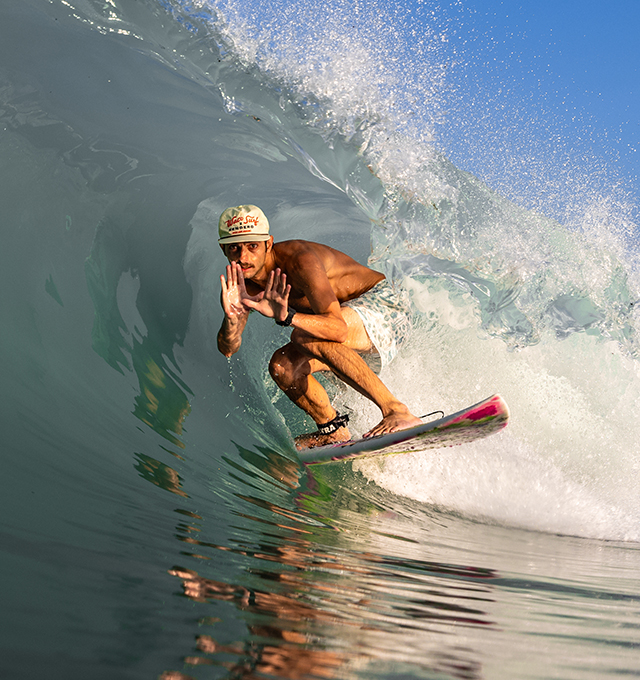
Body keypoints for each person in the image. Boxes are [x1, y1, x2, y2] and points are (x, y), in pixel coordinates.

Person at [217, 205, 422, 449]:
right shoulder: (242, 287)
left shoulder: (299, 261)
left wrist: (288, 317)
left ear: (268, 244)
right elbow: (228, 349)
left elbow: (338, 330)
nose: (243, 257)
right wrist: (232, 318)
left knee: (303, 336)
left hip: (387, 309)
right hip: (348, 339)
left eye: (252, 246)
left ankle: (396, 410)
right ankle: (332, 430)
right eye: (234, 248)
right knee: (283, 367)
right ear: (223, 250)